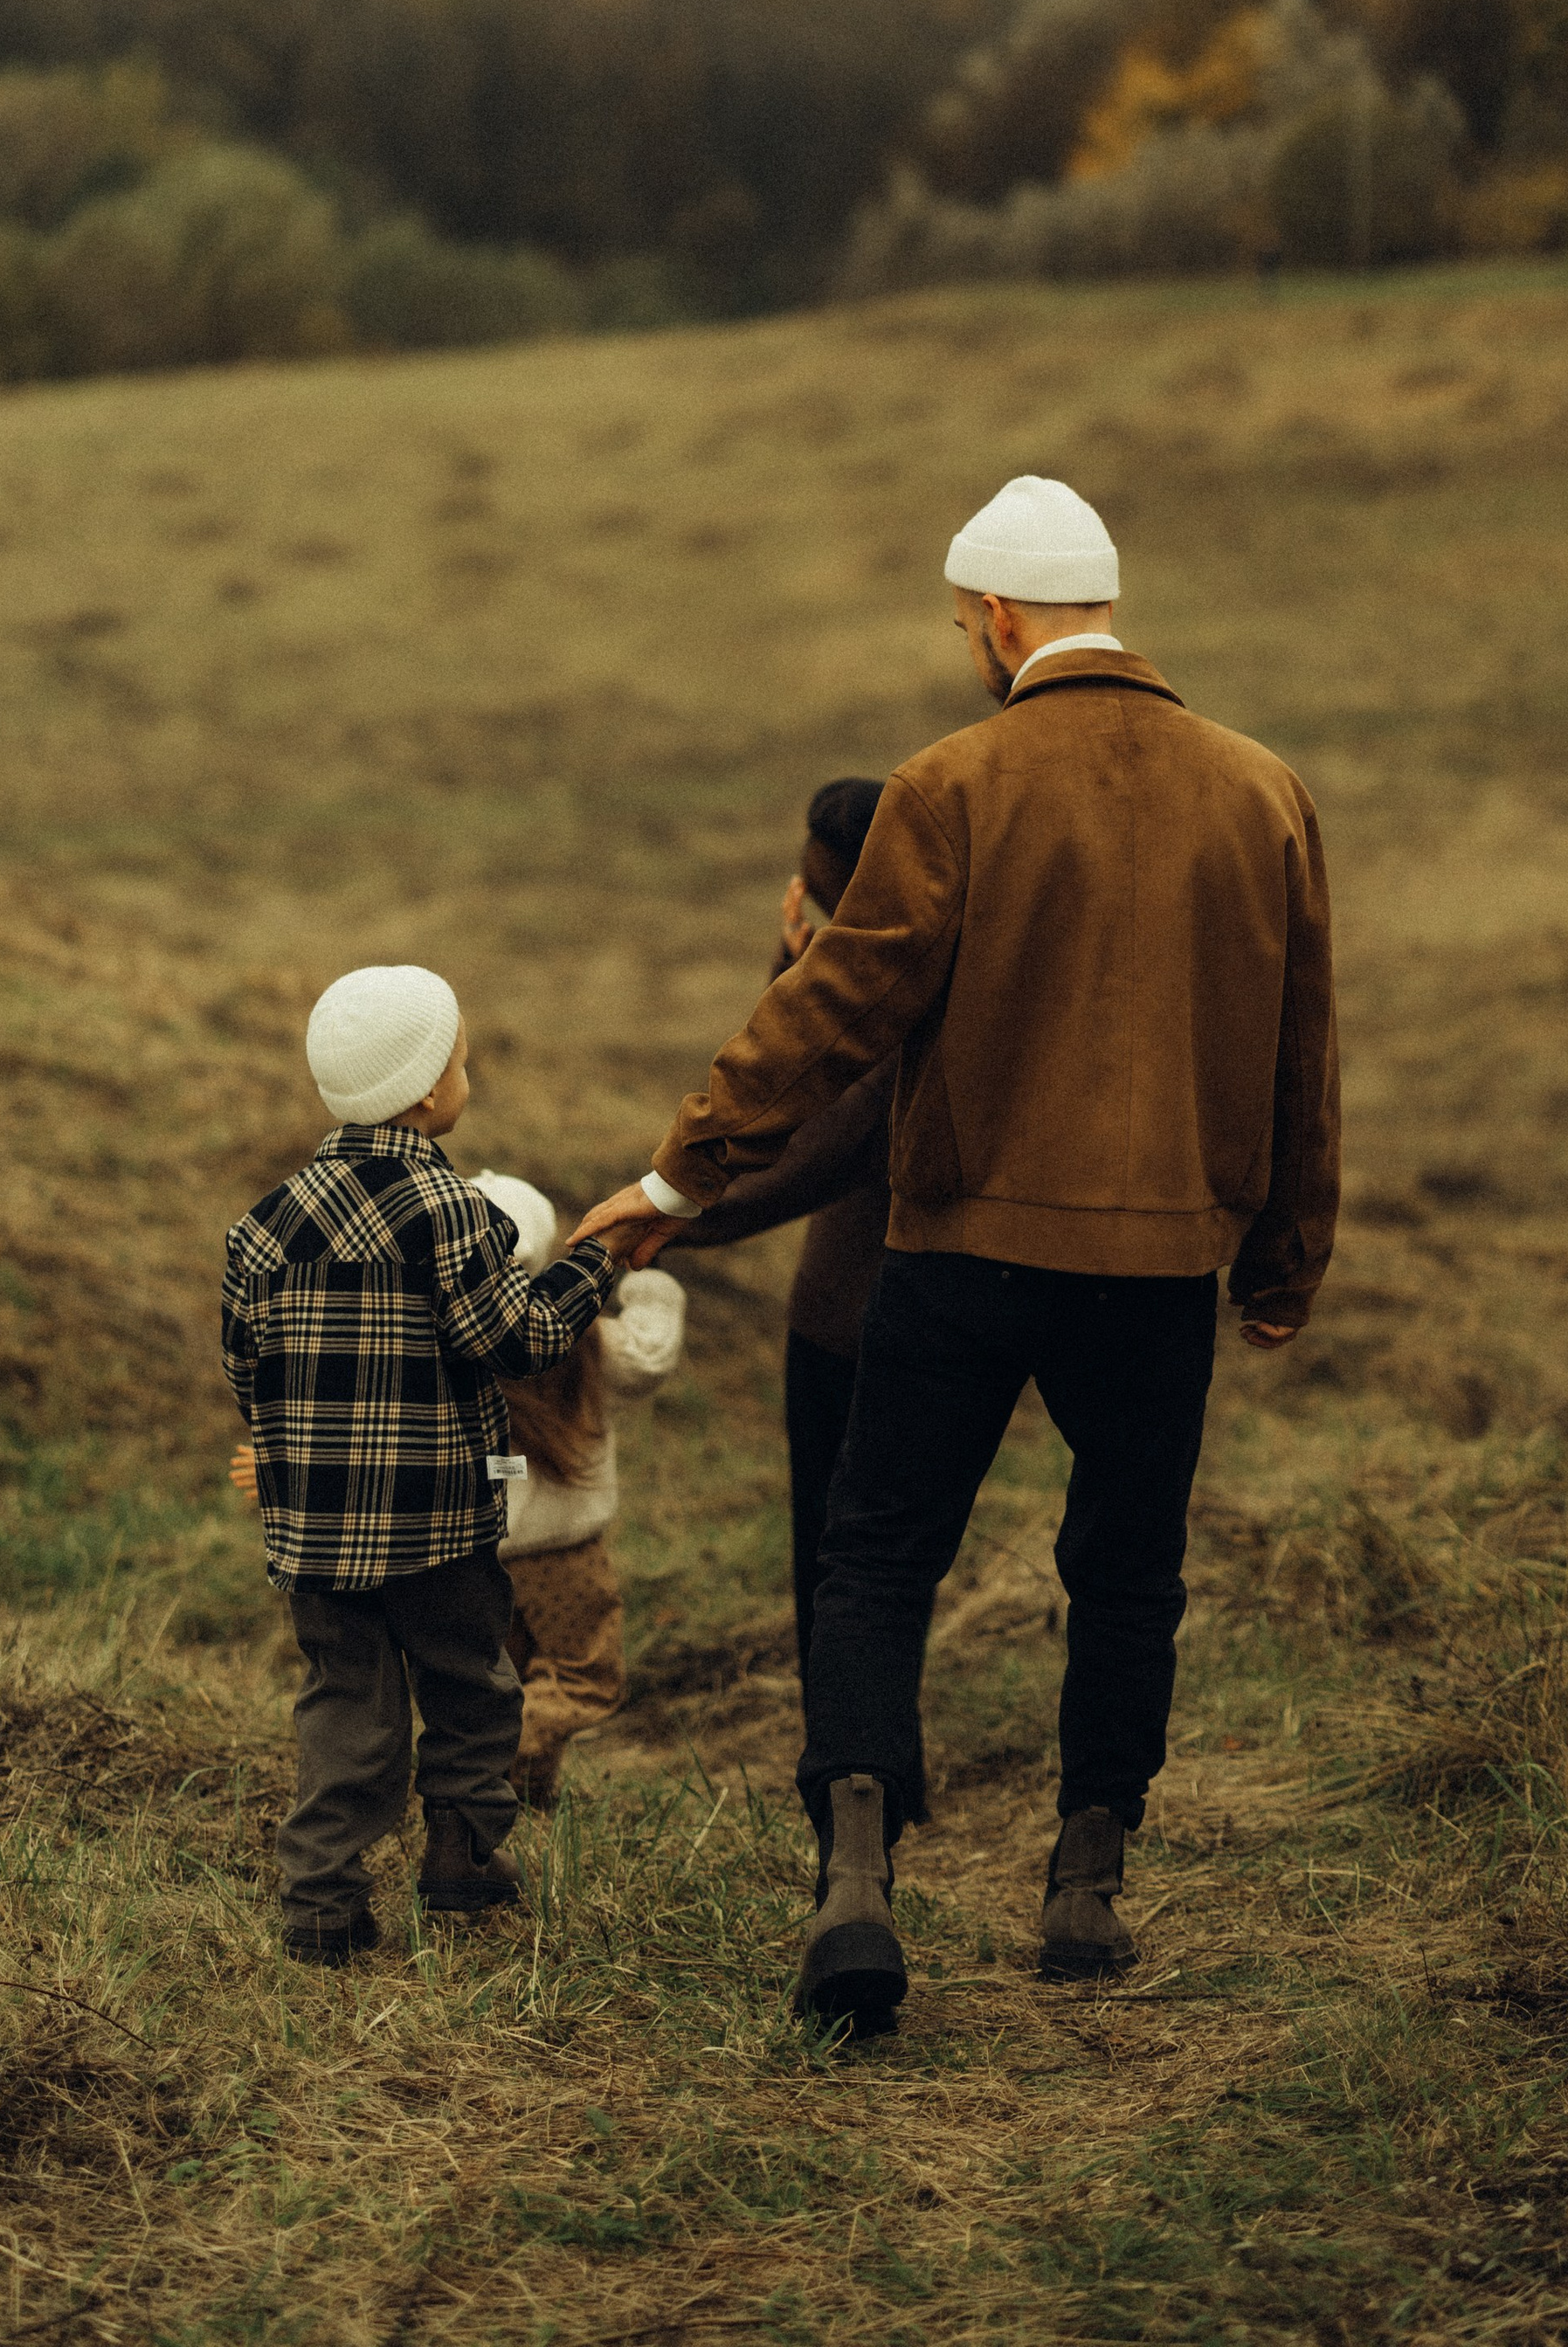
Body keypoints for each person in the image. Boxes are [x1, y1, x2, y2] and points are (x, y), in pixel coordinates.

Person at [579, 473, 1340, 2034]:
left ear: (999, 620)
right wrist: (1283, 1260)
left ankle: (857, 1879)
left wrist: (676, 1172)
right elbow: (1300, 1049)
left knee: (875, 1561)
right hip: (1156, 1272)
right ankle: (1085, 1883)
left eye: (961, 628)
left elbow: (829, 1013)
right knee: (1127, 1573)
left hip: (961, 1254)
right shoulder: (1264, 791)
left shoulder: (952, 784)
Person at [221, 963, 625, 1967]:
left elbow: (245, 1366)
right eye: (461, 1058)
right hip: (441, 1523)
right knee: (470, 1688)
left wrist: (301, 1458)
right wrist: (593, 1261)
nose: (466, 1074)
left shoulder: (261, 1226)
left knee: (343, 1703)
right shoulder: (452, 1215)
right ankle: (461, 1856)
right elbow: (515, 1341)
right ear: (426, 1092)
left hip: (314, 1534)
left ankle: (321, 1903)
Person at [660, 776, 892, 1678]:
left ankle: (850, 1764)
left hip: (854, 1317)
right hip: (890, 1308)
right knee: (875, 1550)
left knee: (843, 1552)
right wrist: (793, 983)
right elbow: (788, 1091)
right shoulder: (899, 968)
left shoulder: (881, 1000)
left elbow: (807, 1143)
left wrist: (670, 1214)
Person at [471, 1169, 687, 1807]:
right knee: (581, 1677)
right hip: (565, 1555)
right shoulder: (581, 1339)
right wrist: (648, 1289)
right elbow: (648, 1355)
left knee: (510, 1676)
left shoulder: (451, 1340)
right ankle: (503, 1748)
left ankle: (517, 1801)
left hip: (483, 1553)